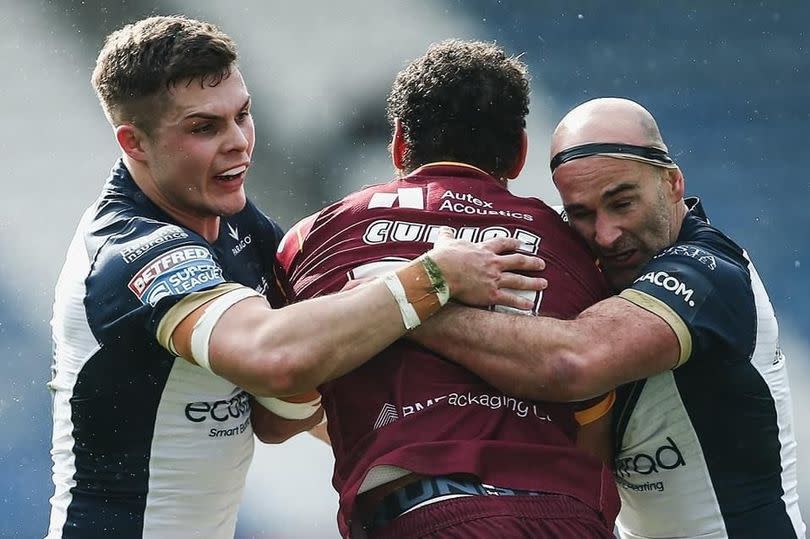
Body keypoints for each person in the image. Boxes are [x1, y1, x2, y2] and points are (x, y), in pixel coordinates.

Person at [46, 17, 543, 539]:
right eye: (204, 127)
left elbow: (286, 408)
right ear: (135, 142)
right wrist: (433, 276)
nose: (238, 142)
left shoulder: (237, 225)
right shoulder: (131, 248)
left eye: (243, 115)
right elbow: (275, 358)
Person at [411, 97, 807, 538]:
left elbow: (573, 362)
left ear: (673, 183)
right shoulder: (591, 276)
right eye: (580, 213)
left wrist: (414, 305)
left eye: (622, 203)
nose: (606, 234)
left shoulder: (710, 273)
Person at [277, 40, 620, 538]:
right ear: (521, 154)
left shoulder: (320, 234)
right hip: (566, 515)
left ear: (397, 143)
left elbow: (282, 401)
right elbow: (595, 423)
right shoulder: (571, 247)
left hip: (425, 510)